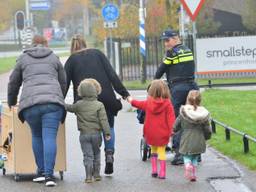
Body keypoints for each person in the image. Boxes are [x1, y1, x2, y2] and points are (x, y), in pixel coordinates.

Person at [64, 34, 130, 175]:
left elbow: (65, 84)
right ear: (85, 43)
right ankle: (109, 154)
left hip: (84, 101)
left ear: (72, 46)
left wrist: (58, 100)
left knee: (89, 130)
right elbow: (112, 74)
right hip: (106, 97)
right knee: (109, 126)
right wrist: (123, 92)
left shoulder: (71, 60)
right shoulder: (98, 54)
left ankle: (93, 162)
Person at [7, 35, 66, 187]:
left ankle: (40, 172)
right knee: (49, 137)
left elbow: (13, 82)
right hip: (53, 104)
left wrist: (12, 102)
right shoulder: (54, 57)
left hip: (31, 104)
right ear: (46, 44)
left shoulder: (23, 58)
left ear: (31, 44)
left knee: (37, 135)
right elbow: (63, 81)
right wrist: (59, 97)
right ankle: (49, 176)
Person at [154, 29, 199, 165]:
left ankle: (179, 155)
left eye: (167, 40)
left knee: (177, 120)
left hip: (178, 89)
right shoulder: (188, 50)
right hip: (192, 88)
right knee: (193, 119)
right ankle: (196, 153)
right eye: (164, 41)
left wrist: (154, 82)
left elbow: (161, 69)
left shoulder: (172, 53)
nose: (166, 44)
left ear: (176, 38)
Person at [127, 80, 175, 179]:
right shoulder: (168, 104)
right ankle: (162, 173)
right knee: (161, 151)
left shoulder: (148, 103)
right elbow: (171, 119)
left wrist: (130, 99)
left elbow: (137, 103)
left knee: (153, 149)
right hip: (163, 132)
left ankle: (154, 170)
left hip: (150, 132)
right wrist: (172, 130)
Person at [65, 78, 111, 183]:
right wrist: (107, 132)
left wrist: (60, 103)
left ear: (81, 91)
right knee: (96, 154)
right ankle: (97, 174)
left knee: (87, 155)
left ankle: (88, 176)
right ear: (95, 91)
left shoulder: (79, 104)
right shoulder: (99, 105)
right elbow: (104, 120)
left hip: (84, 135)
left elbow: (69, 108)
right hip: (96, 134)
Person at [173, 90, 211, 182]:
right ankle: (193, 174)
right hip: (199, 140)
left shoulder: (183, 112)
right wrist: (206, 137)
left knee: (186, 157)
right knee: (195, 156)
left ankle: (188, 166)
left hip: (186, 139)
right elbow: (207, 129)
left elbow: (176, 125)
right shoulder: (203, 114)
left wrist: (174, 130)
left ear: (188, 99)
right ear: (200, 100)